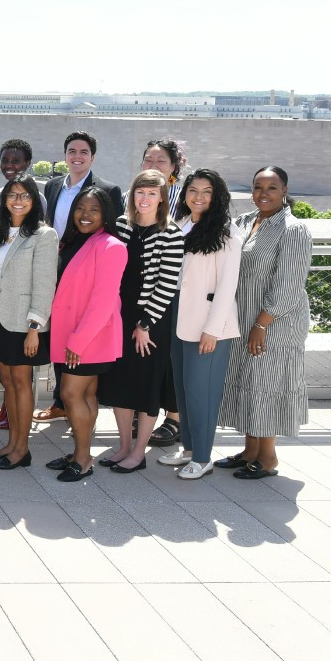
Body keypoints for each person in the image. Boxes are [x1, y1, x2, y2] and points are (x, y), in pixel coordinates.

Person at [216, 166, 313, 480]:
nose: (264, 193)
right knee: (248, 382)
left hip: (274, 323)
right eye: (258, 187)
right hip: (244, 317)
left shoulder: (293, 229)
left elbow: (289, 284)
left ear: (284, 190)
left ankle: (268, 458)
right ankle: (250, 451)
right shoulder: (244, 222)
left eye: (272, 187)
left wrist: (262, 324)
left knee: (264, 384)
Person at [95, 170, 186, 473]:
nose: (144, 199)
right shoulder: (121, 224)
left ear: (162, 198)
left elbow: (167, 284)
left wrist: (144, 324)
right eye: (140, 192)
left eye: (151, 193)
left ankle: (138, 453)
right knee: (119, 383)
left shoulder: (171, 233)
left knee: (146, 387)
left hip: (151, 321)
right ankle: (123, 447)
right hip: (118, 316)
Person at [157, 169, 241, 480]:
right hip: (179, 317)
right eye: (193, 190)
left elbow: (227, 286)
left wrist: (212, 330)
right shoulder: (180, 224)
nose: (199, 197)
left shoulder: (227, 233)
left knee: (200, 392)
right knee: (182, 390)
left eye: (207, 191)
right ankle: (190, 450)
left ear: (217, 196)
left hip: (208, 323)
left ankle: (203, 458)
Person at [36, 131, 124, 424]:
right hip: (58, 266)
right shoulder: (52, 186)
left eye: (83, 152)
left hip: (89, 268)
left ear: (92, 157)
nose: (77, 156)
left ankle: (73, 411)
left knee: (79, 362)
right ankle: (60, 404)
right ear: (65, 156)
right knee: (59, 332)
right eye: (72, 151)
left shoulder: (107, 190)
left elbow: (111, 232)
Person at [0, 175, 57, 470]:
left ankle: (22, 449)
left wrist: (35, 328)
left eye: (25, 195)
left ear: (34, 200)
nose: (18, 201)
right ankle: (11, 444)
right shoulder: (0, 229)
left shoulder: (44, 235)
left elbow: (45, 284)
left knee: (21, 382)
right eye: (12, 195)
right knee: (7, 381)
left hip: (24, 321)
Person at [45, 187, 127, 482]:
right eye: (81, 208)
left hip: (90, 337)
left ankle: (83, 458)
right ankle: (80, 453)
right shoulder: (72, 241)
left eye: (94, 209)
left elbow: (103, 302)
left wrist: (78, 341)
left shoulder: (111, 246)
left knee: (70, 394)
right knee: (86, 394)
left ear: (106, 214)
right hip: (71, 333)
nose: (85, 215)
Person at [0, 139, 38, 430]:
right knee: (5, 373)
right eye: (5, 160)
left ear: (27, 164)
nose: (10, 165)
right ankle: (9, 416)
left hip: (21, 307)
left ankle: (19, 437)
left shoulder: (35, 203)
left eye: (16, 161)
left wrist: (34, 325)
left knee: (19, 377)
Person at [141, 137, 191, 449]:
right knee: (146, 353)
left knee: (173, 356)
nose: (154, 165)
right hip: (143, 289)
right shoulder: (136, 195)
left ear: (174, 166)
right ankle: (143, 409)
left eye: (161, 161)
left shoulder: (186, 197)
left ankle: (174, 417)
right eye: (148, 159)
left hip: (178, 290)